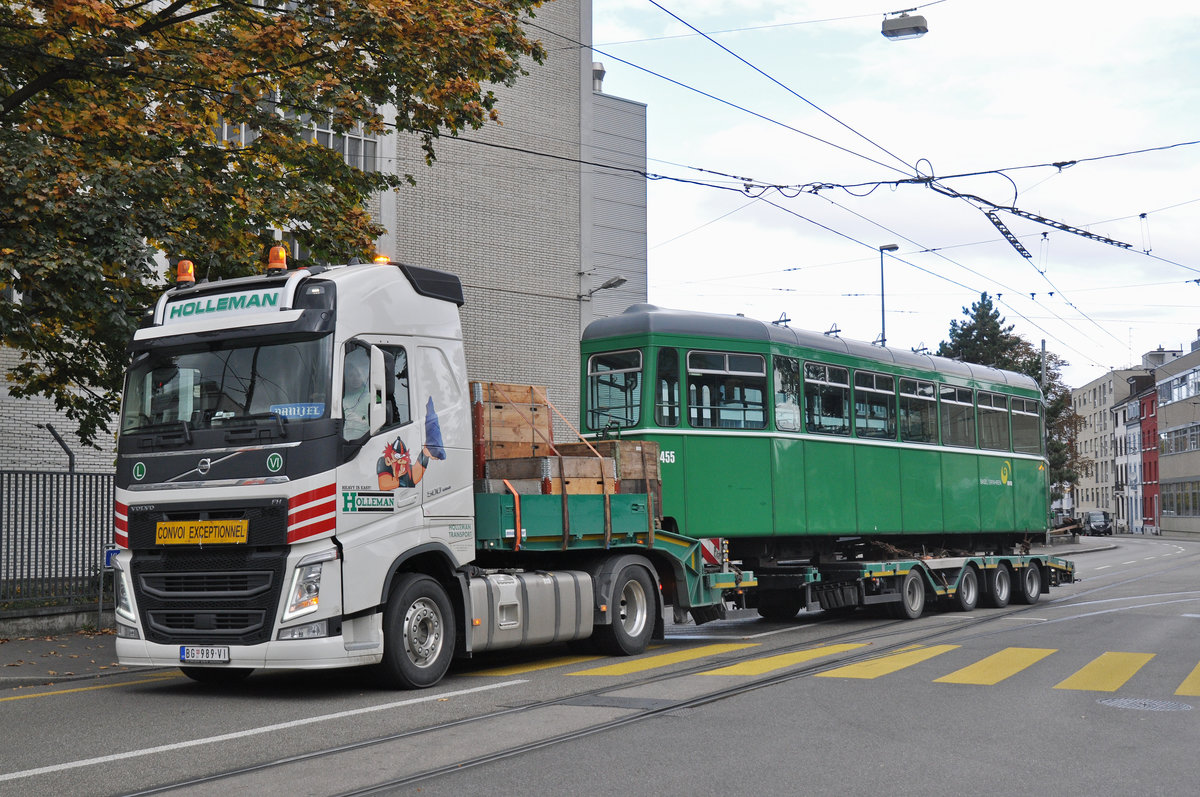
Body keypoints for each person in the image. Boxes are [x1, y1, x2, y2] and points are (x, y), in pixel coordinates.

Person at [342, 348, 370, 440]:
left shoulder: (372, 397)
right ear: (345, 378)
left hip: (366, 441)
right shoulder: (340, 399)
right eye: (351, 375)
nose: (355, 378)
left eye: (358, 375)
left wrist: (359, 421)